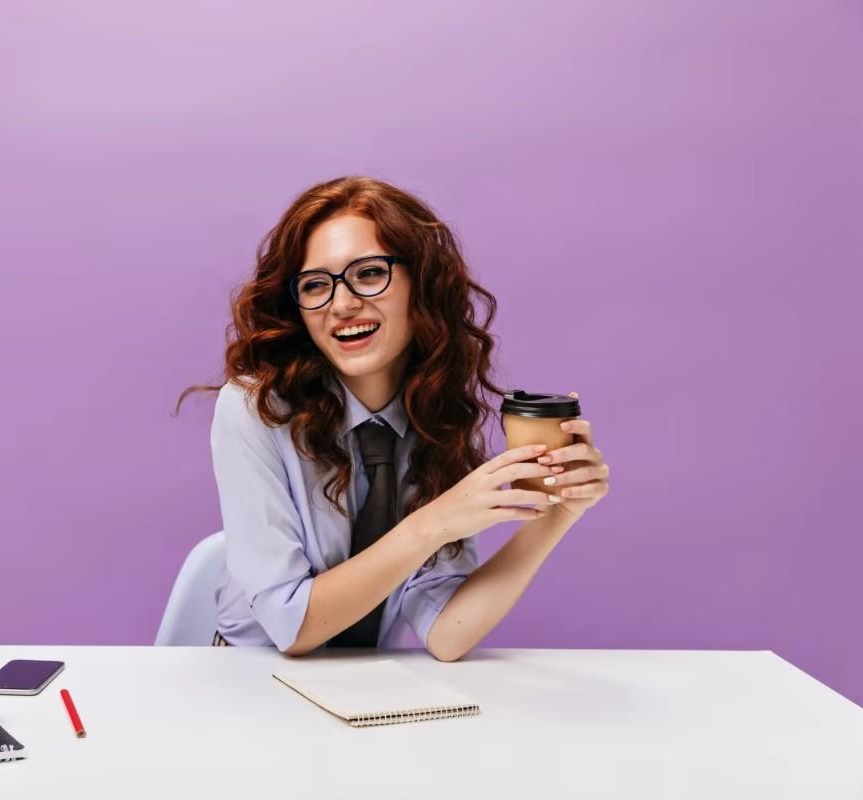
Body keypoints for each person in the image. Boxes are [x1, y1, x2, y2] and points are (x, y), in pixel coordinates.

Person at [175, 176, 611, 660]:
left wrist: (556, 516)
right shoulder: (255, 410)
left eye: (367, 274)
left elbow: (447, 634)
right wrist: (434, 523)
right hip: (247, 682)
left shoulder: (436, 418)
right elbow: (291, 625)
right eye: (316, 285)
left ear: (419, 283)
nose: (341, 305)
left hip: (362, 687)